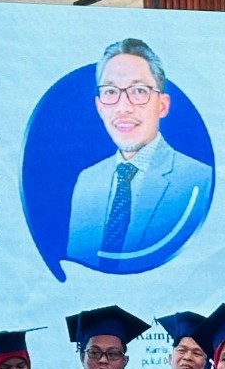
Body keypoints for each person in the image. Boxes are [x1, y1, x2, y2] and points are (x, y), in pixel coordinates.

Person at [66, 38, 214, 273]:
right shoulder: (87, 181)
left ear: (162, 105)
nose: (123, 107)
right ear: (99, 107)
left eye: (138, 91)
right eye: (111, 92)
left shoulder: (200, 181)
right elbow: (80, 268)